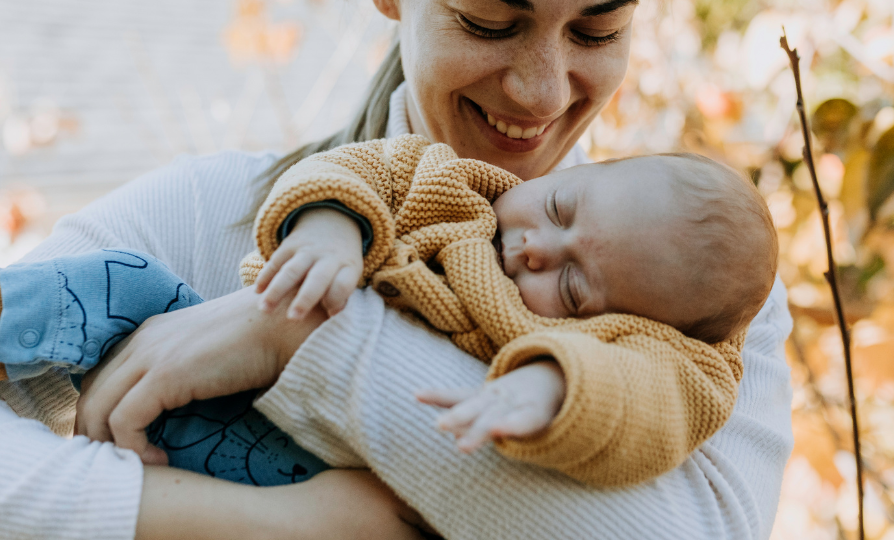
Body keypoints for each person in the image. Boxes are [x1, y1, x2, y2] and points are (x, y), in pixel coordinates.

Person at [0, 0, 794, 537]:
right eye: (489, 20)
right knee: (111, 287)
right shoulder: (209, 212)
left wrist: (302, 342)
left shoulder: (700, 292)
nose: (542, 90)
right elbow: (353, 186)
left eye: (597, 31)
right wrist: (304, 527)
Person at [0, 134, 776, 489]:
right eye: (564, 207)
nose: (539, 248)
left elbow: (645, 402)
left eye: (573, 287)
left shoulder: (663, 353)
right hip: (211, 379)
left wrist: (549, 387)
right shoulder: (460, 185)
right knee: (116, 281)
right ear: (590, 171)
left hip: (294, 471)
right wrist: (334, 230)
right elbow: (360, 169)